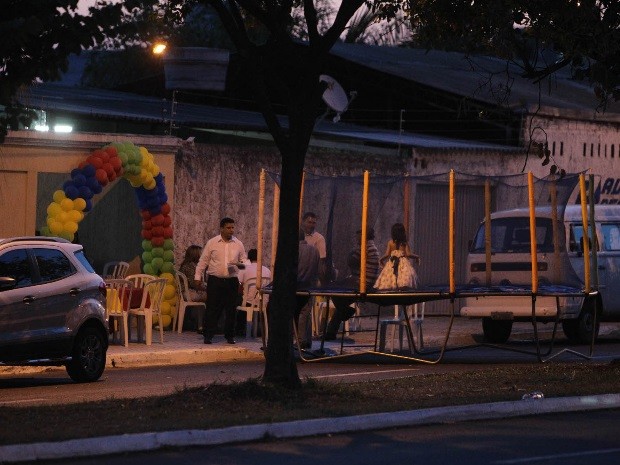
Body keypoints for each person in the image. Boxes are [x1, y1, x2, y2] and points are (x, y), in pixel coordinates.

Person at [195, 217, 247, 345]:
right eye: (228, 228)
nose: (231, 230)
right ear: (222, 228)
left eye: (233, 228)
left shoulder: (238, 244)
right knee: (212, 308)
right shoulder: (212, 243)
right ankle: (208, 335)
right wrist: (197, 277)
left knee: (231, 310)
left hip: (231, 280)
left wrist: (241, 264)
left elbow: (244, 260)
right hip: (215, 280)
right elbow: (203, 261)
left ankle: (230, 336)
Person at [324, 227, 380, 340]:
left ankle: (346, 311)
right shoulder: (370, 246)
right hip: (364, 281)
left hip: (361, 282)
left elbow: (351, 260)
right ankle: (331, 332)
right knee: (341, 301)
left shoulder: (366, 247)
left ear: (363, 236)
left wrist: (353, 252)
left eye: (358, 236)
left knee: (334, 289)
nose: (356, 238)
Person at [374, 222, 420, 290]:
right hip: (403, 263)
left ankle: (393, 287)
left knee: (391, 275)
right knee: (403, 277)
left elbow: (387, 254)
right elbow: (408, 254)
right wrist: (417, 257)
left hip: (392, 262)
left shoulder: (390, 242)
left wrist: (381, 259)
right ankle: (401, 288)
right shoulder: (404, 243)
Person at [296, 229, 320, 349]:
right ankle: (306, 340)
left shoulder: (296, 251)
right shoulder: (314, 250)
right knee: (306, 312)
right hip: (310, 286)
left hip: (297, 286)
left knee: (298, 313)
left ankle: (299, 340)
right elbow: (317, 269)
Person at [179, 245, 208, 333]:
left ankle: (200, 326)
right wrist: (209, 288)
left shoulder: (185, 264)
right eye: (200, 253)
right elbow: (195, 284)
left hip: (186, 292)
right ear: (196, 255)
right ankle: (211, 325)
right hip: (189, 293)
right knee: (215, 297)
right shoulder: (191, 267)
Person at [301, 212, 327, 282]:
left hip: (311, 275)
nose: (311, 225)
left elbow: (321, 260)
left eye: (313, 223)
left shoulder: (319, 238)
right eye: (309, 222)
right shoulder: (299, 235)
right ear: (303, 222)